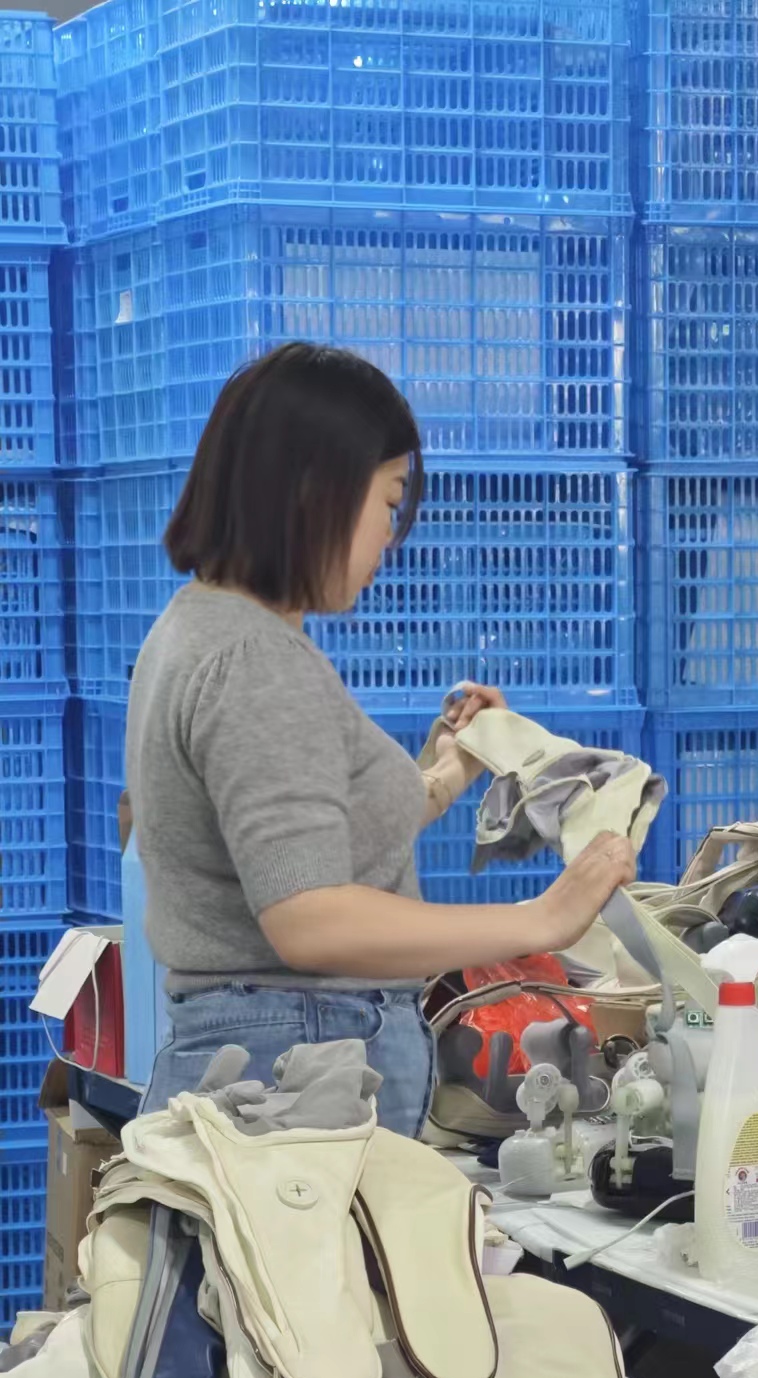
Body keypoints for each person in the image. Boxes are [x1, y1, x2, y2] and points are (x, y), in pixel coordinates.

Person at [127, 343, 636, 1136]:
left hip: (273, 1060)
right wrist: (542, 919)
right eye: (389, 502)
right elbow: (310, 916)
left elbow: (304, 842)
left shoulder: (202, 629)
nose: (390, 539)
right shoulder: (257, 662)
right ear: (315, 491)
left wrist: (447, 771)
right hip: (298, 1068)